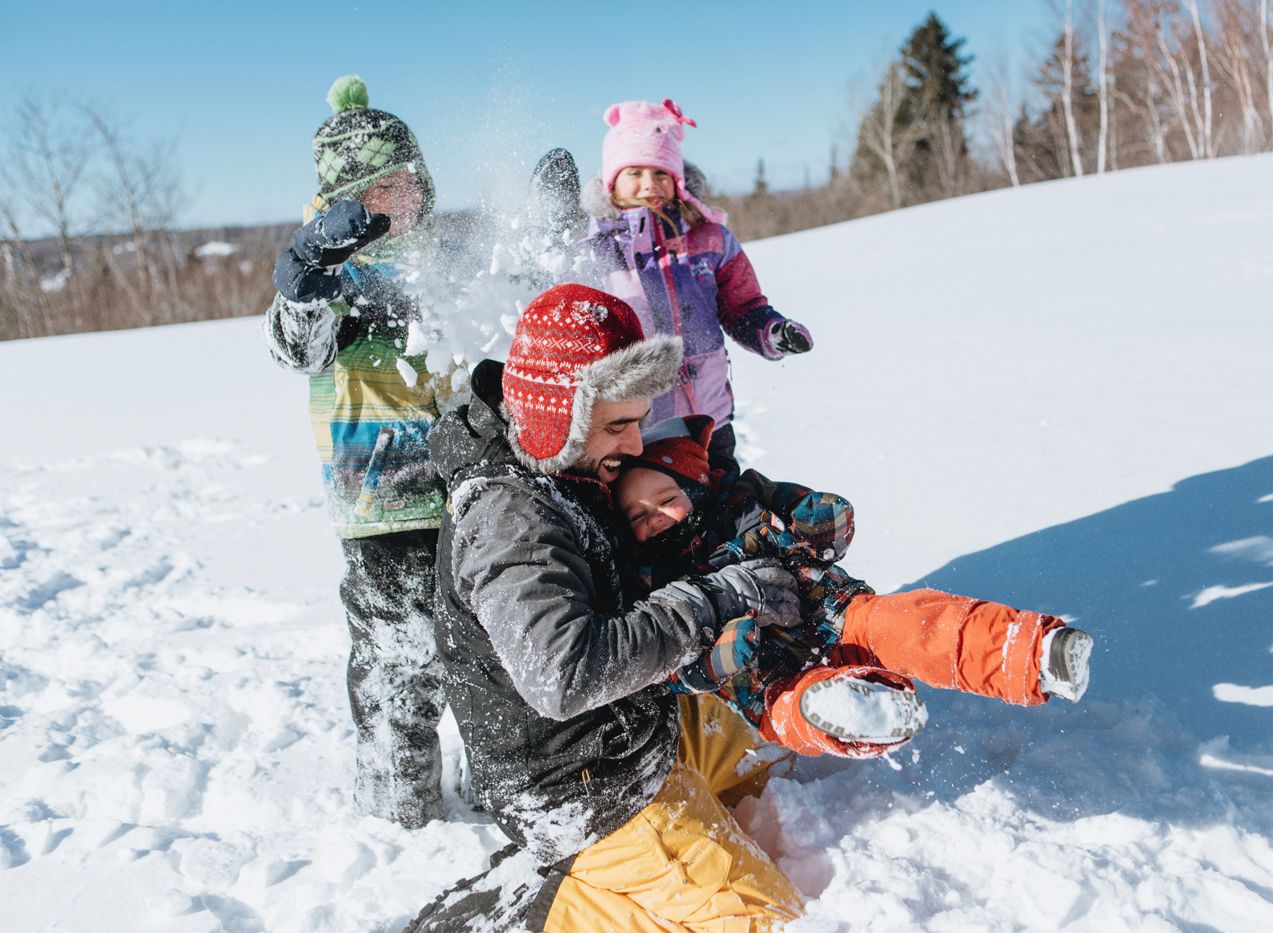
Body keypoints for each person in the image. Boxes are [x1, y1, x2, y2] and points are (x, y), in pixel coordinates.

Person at [410, 283, 806, 931]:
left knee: (765, 764)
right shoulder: (509, 515)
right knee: (766, 916)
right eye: (617, 425)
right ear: (555, 412)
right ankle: (553, 909)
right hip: (588, 787)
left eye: (638, 420)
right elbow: (561, 675)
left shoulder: (567, 464)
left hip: (637, 726)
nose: (631, 444)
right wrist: (710, 602)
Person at [614, 415, 1095, 759]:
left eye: (666, 499)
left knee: (914, 623)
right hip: (768, 672)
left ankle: (1033, 653)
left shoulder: (749, 501)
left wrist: (822, 525)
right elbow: (664, 662)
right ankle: (860, 713)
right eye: (637, 515)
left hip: (839, 614)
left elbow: (824, 516)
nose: (654, 518)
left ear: (696, 487)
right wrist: (716, 661)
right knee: (793, 710)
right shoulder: (654, 583)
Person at [262, 75, 447, 828]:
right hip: (381, 496)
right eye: (380, 190)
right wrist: (306, 276)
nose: (399, 199)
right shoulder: (330, 272)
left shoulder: (438, 255)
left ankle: (500, 777)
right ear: (348, 202)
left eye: (408, 183)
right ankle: (398, 806)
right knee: (401, 656)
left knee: (473, 645)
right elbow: (295, 348)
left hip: (462, 484)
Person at [577, 99, 814, 473]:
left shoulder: (710, 240)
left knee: (725, 508)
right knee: (653, 521)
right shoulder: (593, 252)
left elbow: (743, 305)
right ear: (612, 181)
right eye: (634, 172)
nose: (648, 185)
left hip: (708, 419)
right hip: (637, 428)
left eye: (660, 173)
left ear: (677, 179)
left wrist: (771, 332)